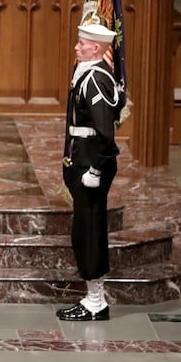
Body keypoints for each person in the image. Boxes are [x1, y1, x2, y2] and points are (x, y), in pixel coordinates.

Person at [56, 22, 123, 323]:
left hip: (91, 164)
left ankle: (96, 301)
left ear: (96, 48)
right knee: (84, 231)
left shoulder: (96, 79)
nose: (76, 47)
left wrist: (96, 168)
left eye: (81, 44)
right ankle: (91, 296)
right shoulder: (87, 74)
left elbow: (105, 133)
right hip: (80, 161)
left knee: (91, 231)